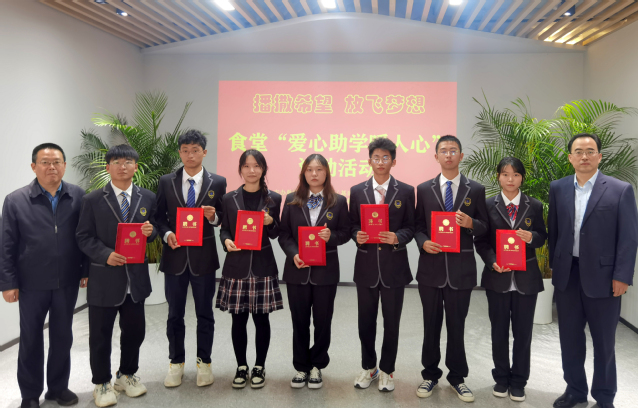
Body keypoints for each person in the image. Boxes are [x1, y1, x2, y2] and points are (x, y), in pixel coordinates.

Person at [548, 133, 638, 408]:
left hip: (605, 278)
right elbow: (554, 231)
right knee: (570, 340)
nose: (584, 156)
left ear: (599, 156)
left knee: (604, 343)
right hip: (568, 277)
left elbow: (628, 237)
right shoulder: (558, 187)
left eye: (590, 151)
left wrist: (622, 276)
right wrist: (555, 267)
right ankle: (575, 390)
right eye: (578, 151)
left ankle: (604, 397)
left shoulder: (620, 190)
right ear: (570, 157)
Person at [1, 143, 87, 408]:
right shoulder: (16, 200)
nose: (52, 167)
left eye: (57, 162)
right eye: (45, 162)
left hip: (67, 282)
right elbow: (6, 244)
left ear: (64, 165)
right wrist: (8, 282)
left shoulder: (78, 195)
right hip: (31, 283)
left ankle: (58, 388)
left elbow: (85, 236)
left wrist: (86, 270)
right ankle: (30, 394)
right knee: (30, 339)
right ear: (33, 166)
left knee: (62, 337)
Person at [76, 144, 158, 407]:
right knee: (100, 336)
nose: (123, 167)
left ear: (136, 166)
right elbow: (83, 237)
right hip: (105, 277)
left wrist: (151, 232)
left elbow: (153, 229)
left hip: (136, 279)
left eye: (128, 162)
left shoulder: (148, 197)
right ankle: (101, 382)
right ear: (108, 167)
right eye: (117, 162)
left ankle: (126, 375)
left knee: (135, 332)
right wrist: (105, 254)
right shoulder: (92, 199)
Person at [413, 135, 489, 402]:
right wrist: (423, 243)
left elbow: (485, 226)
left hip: (461, 270)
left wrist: (471, 223)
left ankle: (457, 378)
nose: (448, 154)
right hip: (430, 270)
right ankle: (430, 374)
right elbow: (418, 226)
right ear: (436, 156)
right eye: (443, 151)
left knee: (457, 326)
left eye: (453, 150)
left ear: (461, 156)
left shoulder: (475, 189)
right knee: (431, 325)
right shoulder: (424, 189)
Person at [154, 130, 226, 388]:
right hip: (174, 256)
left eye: (195, 150)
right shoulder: (166, 181)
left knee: (204, 313)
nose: (190, 155)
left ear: (204, 152)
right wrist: (167, 234)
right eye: (185, 150)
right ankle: (176, 363)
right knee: (175, 314)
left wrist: (213, 217)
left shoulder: (218, 182)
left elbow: (224, 218)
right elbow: (158, 217)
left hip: (203, 258)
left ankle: (204, 363)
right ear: (179, 153)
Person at [474, 157, 547, 402]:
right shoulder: (487, 205)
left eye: (515, 175)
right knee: (499, 331)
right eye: (505, 174)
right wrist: (491, 260)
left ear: (522, 178)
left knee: (523, 333)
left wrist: (531, 237)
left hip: (526, 279)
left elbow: (542, 236)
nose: (510, 179)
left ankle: (518, 382)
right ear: (498, 177)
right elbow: (481, 241)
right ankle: (501, 378)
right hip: (498, 277)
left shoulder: (534, 205)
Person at [278, 154, 351, 389]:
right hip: (297, 270)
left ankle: (318, 365)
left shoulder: (338, 201)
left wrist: (332, 237)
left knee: (322, 321)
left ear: (326, 172)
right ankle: (301, 366)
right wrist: (293, 254)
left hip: (325, 272)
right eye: (309, 169)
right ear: (303, 173)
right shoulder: (292, 199)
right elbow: (284, 234)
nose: (314, 174)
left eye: (319, 169)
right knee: (299, 321)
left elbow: (346, 232)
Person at [349, 137, 415, 392]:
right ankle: (369, 367)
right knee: (365, 322)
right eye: (376, 157)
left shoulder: (406, 191)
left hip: (394, 268)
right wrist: (356, 235)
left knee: (392, 322)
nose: (380, 162)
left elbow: (411, 226)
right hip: (366, 267)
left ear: (393, 161)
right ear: (369, 161)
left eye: (385, 157)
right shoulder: (357, 191)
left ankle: (387, 370)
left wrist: (398, 237)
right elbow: (352, 225)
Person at [217, 149, 283, 389]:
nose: (251, 170)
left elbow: (276, 233)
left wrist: (271, 222)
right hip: (237, 265)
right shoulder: (229, 198)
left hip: (263, 265)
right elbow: (225, 228)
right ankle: (241, 366)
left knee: (262, 319)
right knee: (238, 320)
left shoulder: (274, 198)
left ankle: (259, 366)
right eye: (246, 166)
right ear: (240, 169)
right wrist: (226, 240)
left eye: (256, 166)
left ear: (263, 169)